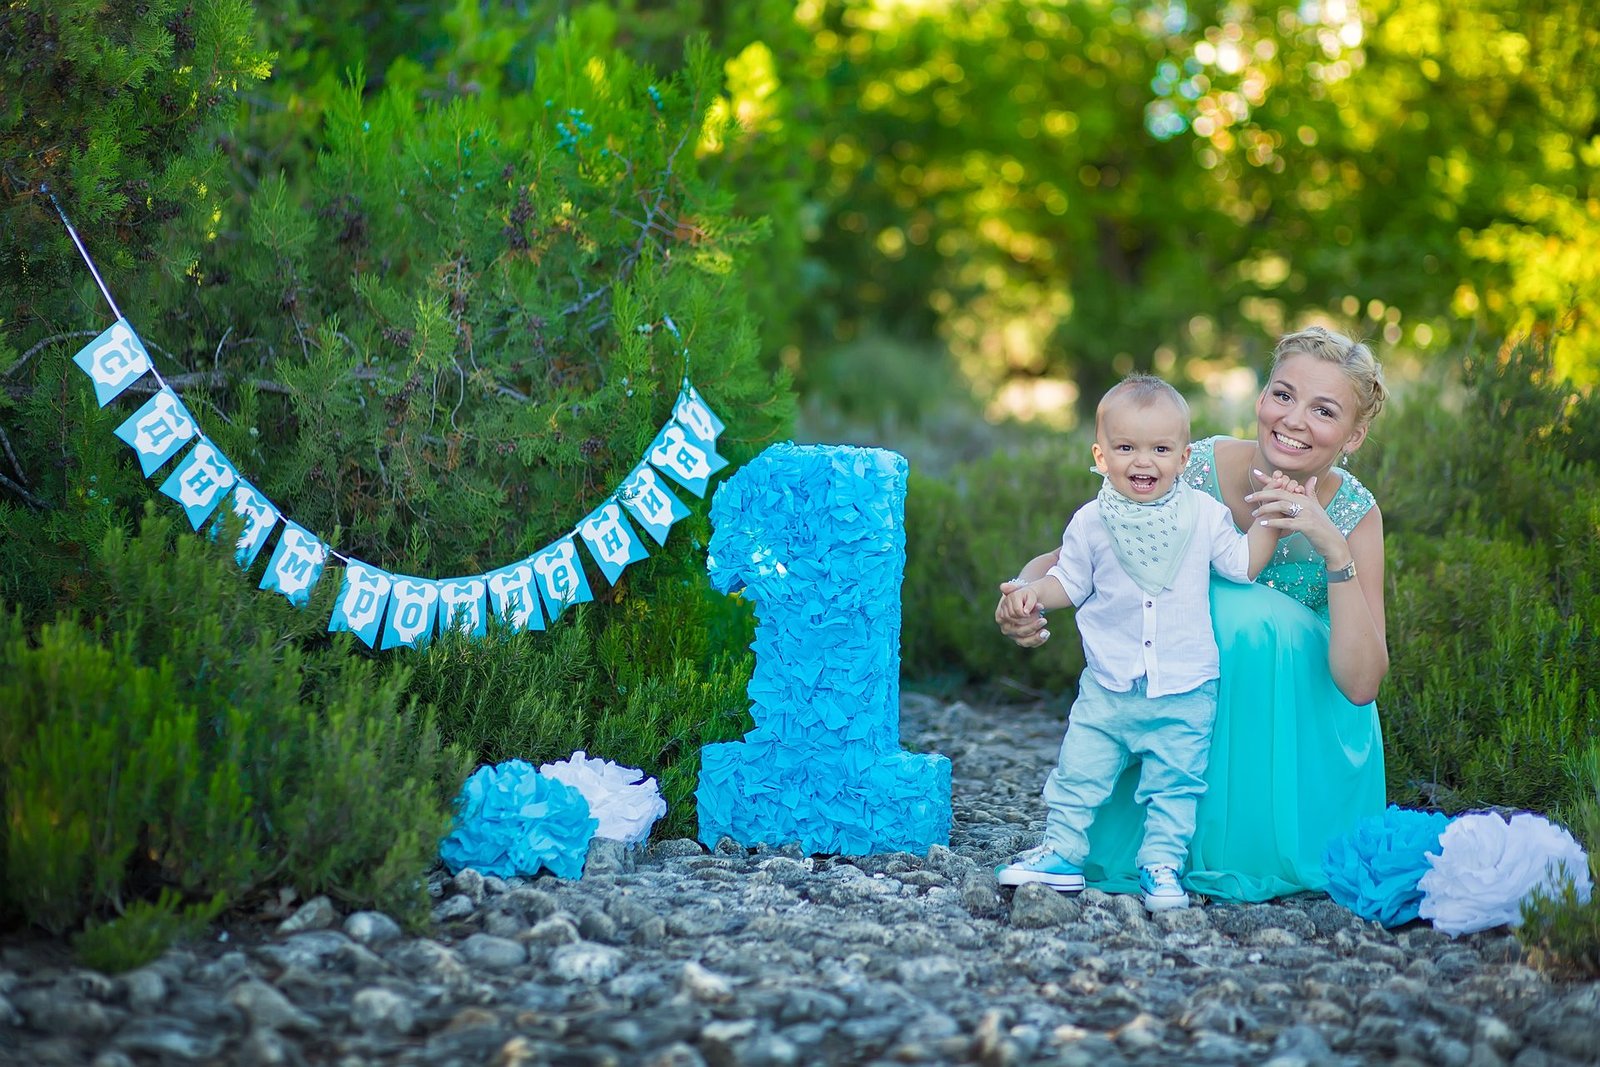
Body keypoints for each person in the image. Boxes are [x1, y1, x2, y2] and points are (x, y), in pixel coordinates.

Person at [996, 326, 1390, 902]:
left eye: (1323, 410)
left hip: (1292, 745)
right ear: (1261, 398)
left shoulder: (1355, 513)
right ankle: (1148, 849)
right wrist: (1023, 594)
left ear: (1353, 436)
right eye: (1283, 395)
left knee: (1242, 616)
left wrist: (1334, 550)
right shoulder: (1188, 468)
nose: (1293, 419)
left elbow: (1361, 686)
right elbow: (1073, 560)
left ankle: (1224, 844)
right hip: (1171, 708)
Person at [992, 374, 1290, 910]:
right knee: (1078, 772)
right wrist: (1030, 592)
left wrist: (1270, 519)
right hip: (1108, 686)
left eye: (1160, 449)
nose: (1143, 461)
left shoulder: (1203, 514)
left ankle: (1162, 866)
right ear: (1101, 455)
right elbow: (1069, 581)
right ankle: (1062, 851)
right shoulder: (1090, 522)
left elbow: (1242, 566)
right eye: (1126, 448)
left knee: (1174, 786)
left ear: (1183, 457)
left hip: (1185, 687)